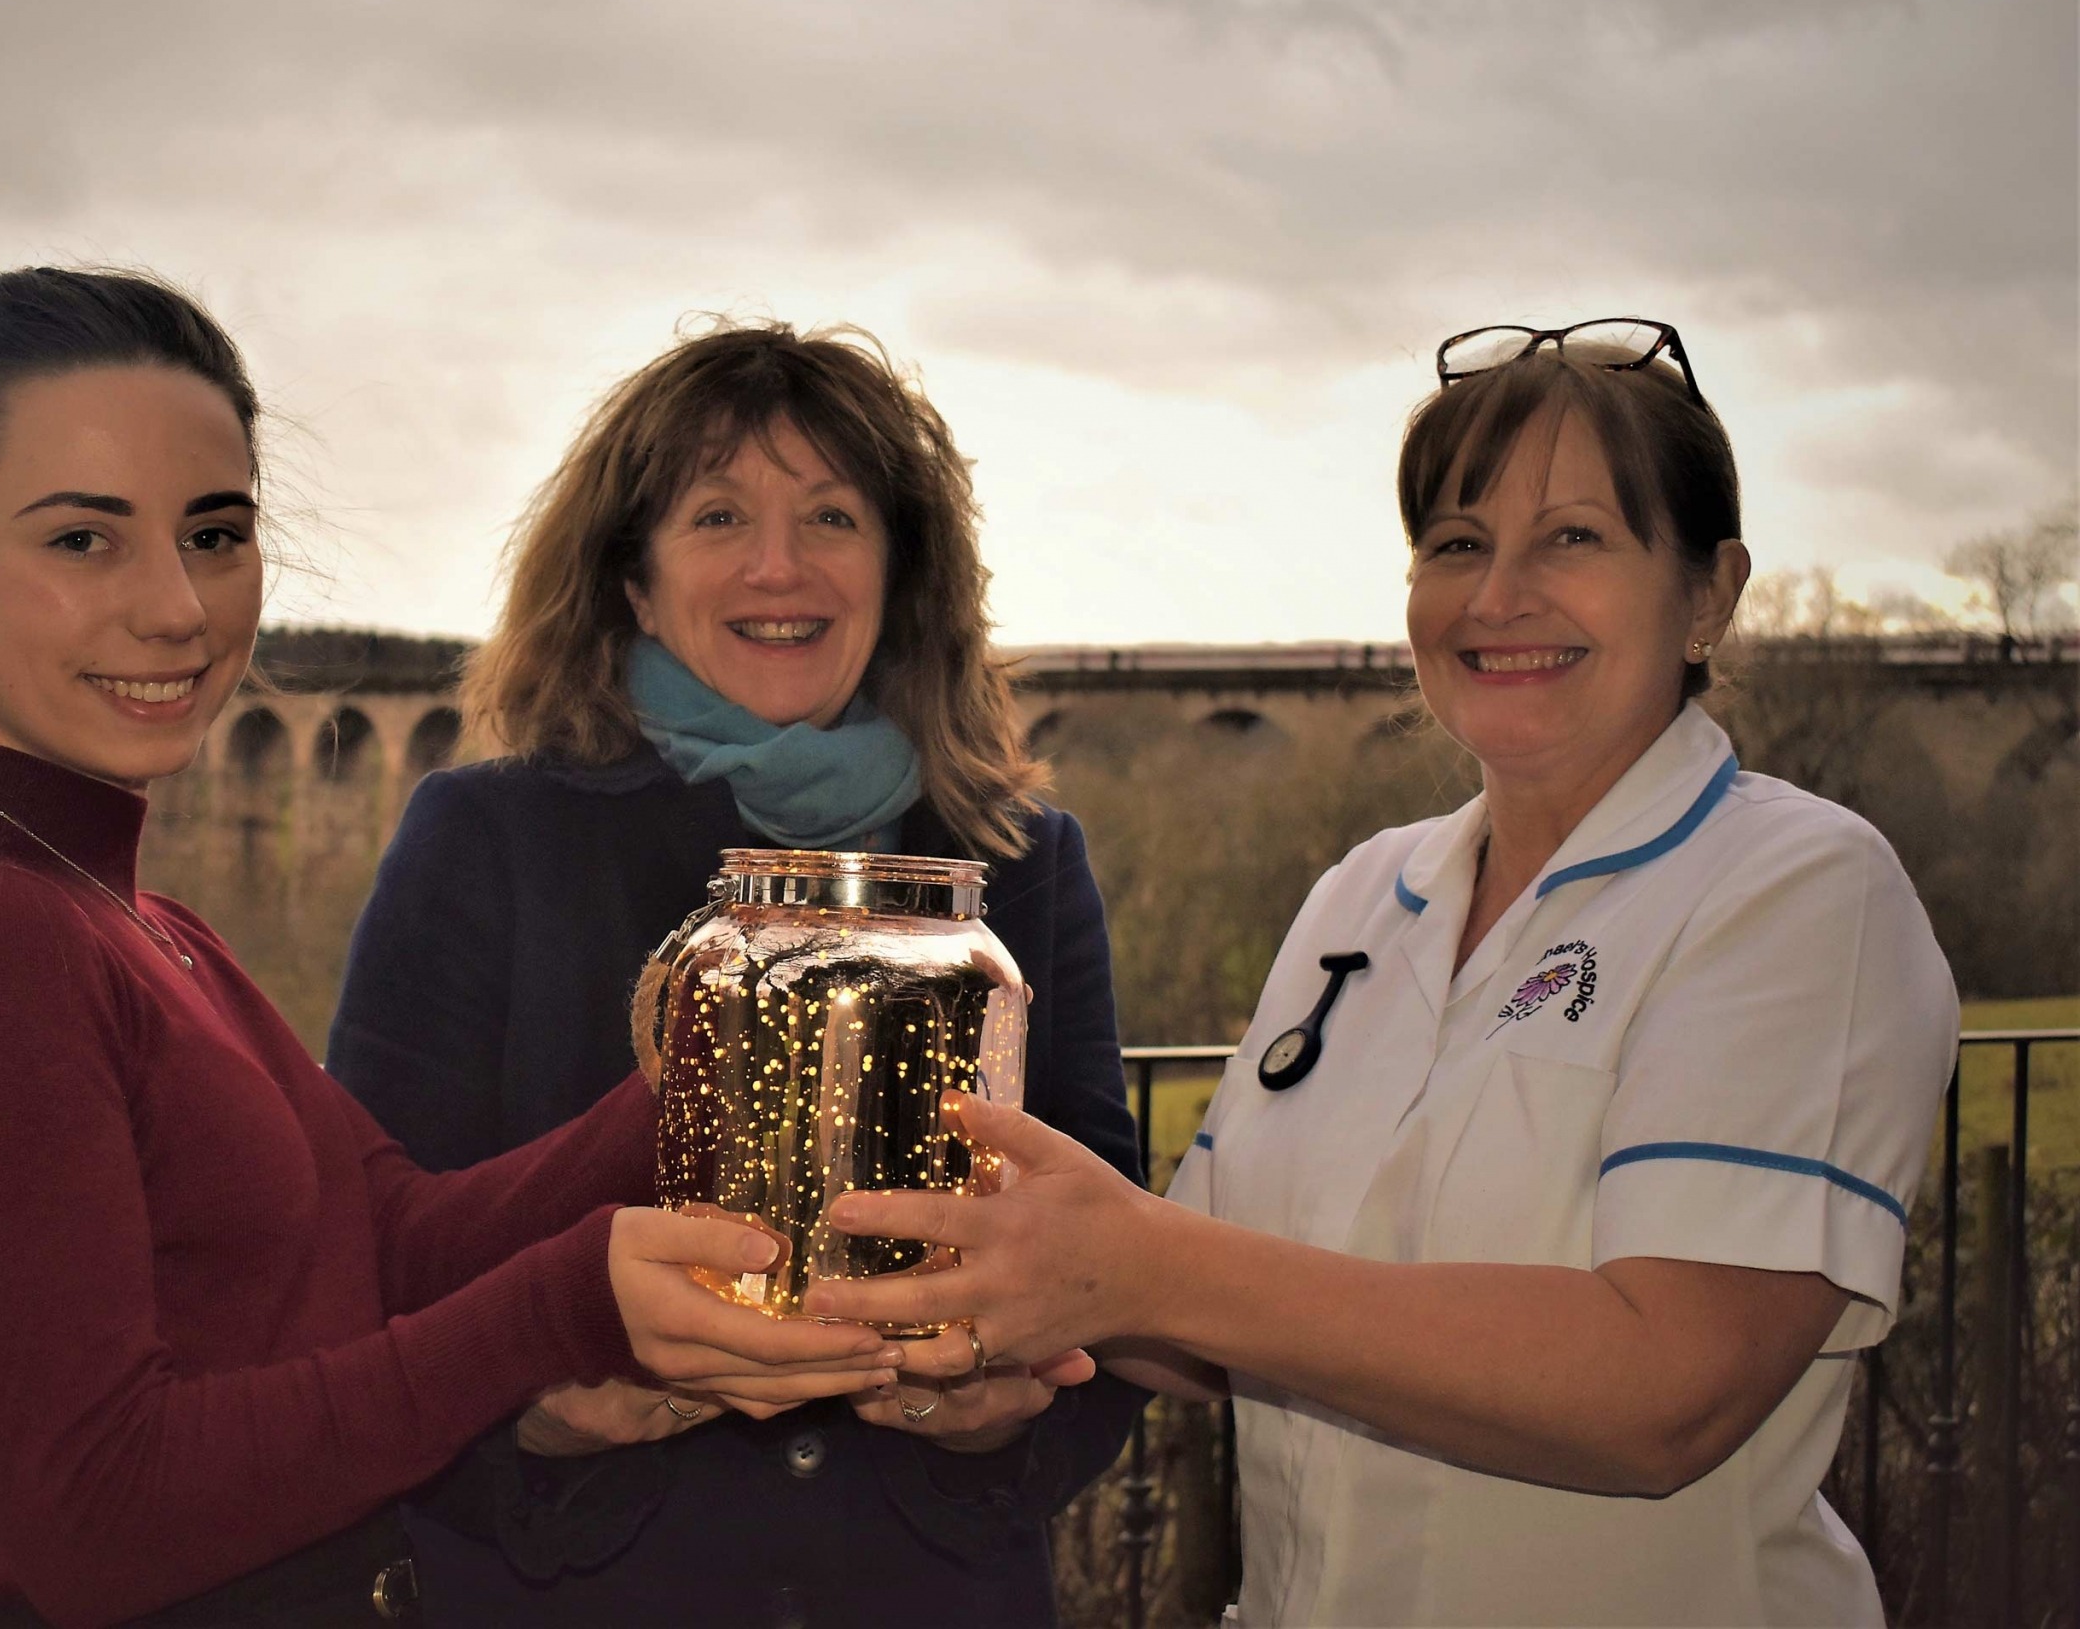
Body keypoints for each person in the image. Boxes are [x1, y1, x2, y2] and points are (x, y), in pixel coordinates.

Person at [0, 270, 903, 1629]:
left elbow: (386, 1241)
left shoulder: (128, 923)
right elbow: (100, 1516)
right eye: (82, 542)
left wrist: (717, 1079)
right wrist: (570, 1303)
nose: (177, 606)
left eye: (215, 534)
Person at [812, 319, 1959, 1625]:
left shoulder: (1799, 889)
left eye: (1573, 538)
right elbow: (1198, 1311)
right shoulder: (1365, 897)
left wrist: (1145, 1270)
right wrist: (1002, 1325)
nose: (1498, 595)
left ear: (1707, 593)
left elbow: (1668, 1391)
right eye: (1456, 545)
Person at [324, 320, 1148, 1626]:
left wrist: (995, 1424)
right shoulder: (488, 838)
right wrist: (545, 1427)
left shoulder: (1016, 859)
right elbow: (363, 1272)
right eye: (717, 516)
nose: (780, 565)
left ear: (901, 570)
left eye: (832, 515)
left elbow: (1120, 1275)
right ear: (636, 582)